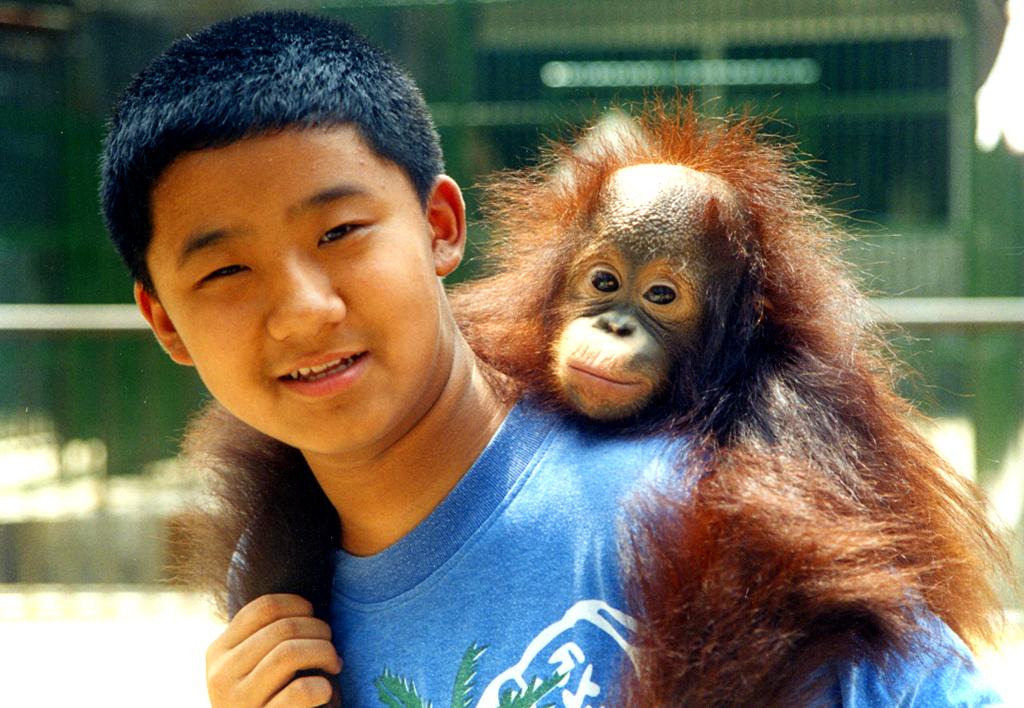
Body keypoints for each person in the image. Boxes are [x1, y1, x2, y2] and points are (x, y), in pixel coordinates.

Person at [99, 11, 1004, 707]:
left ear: (441, 228)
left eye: (339, 231)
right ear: (165, 322)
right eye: (225, 270)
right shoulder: (273, 585)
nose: (303, 310)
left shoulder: (694, 507)